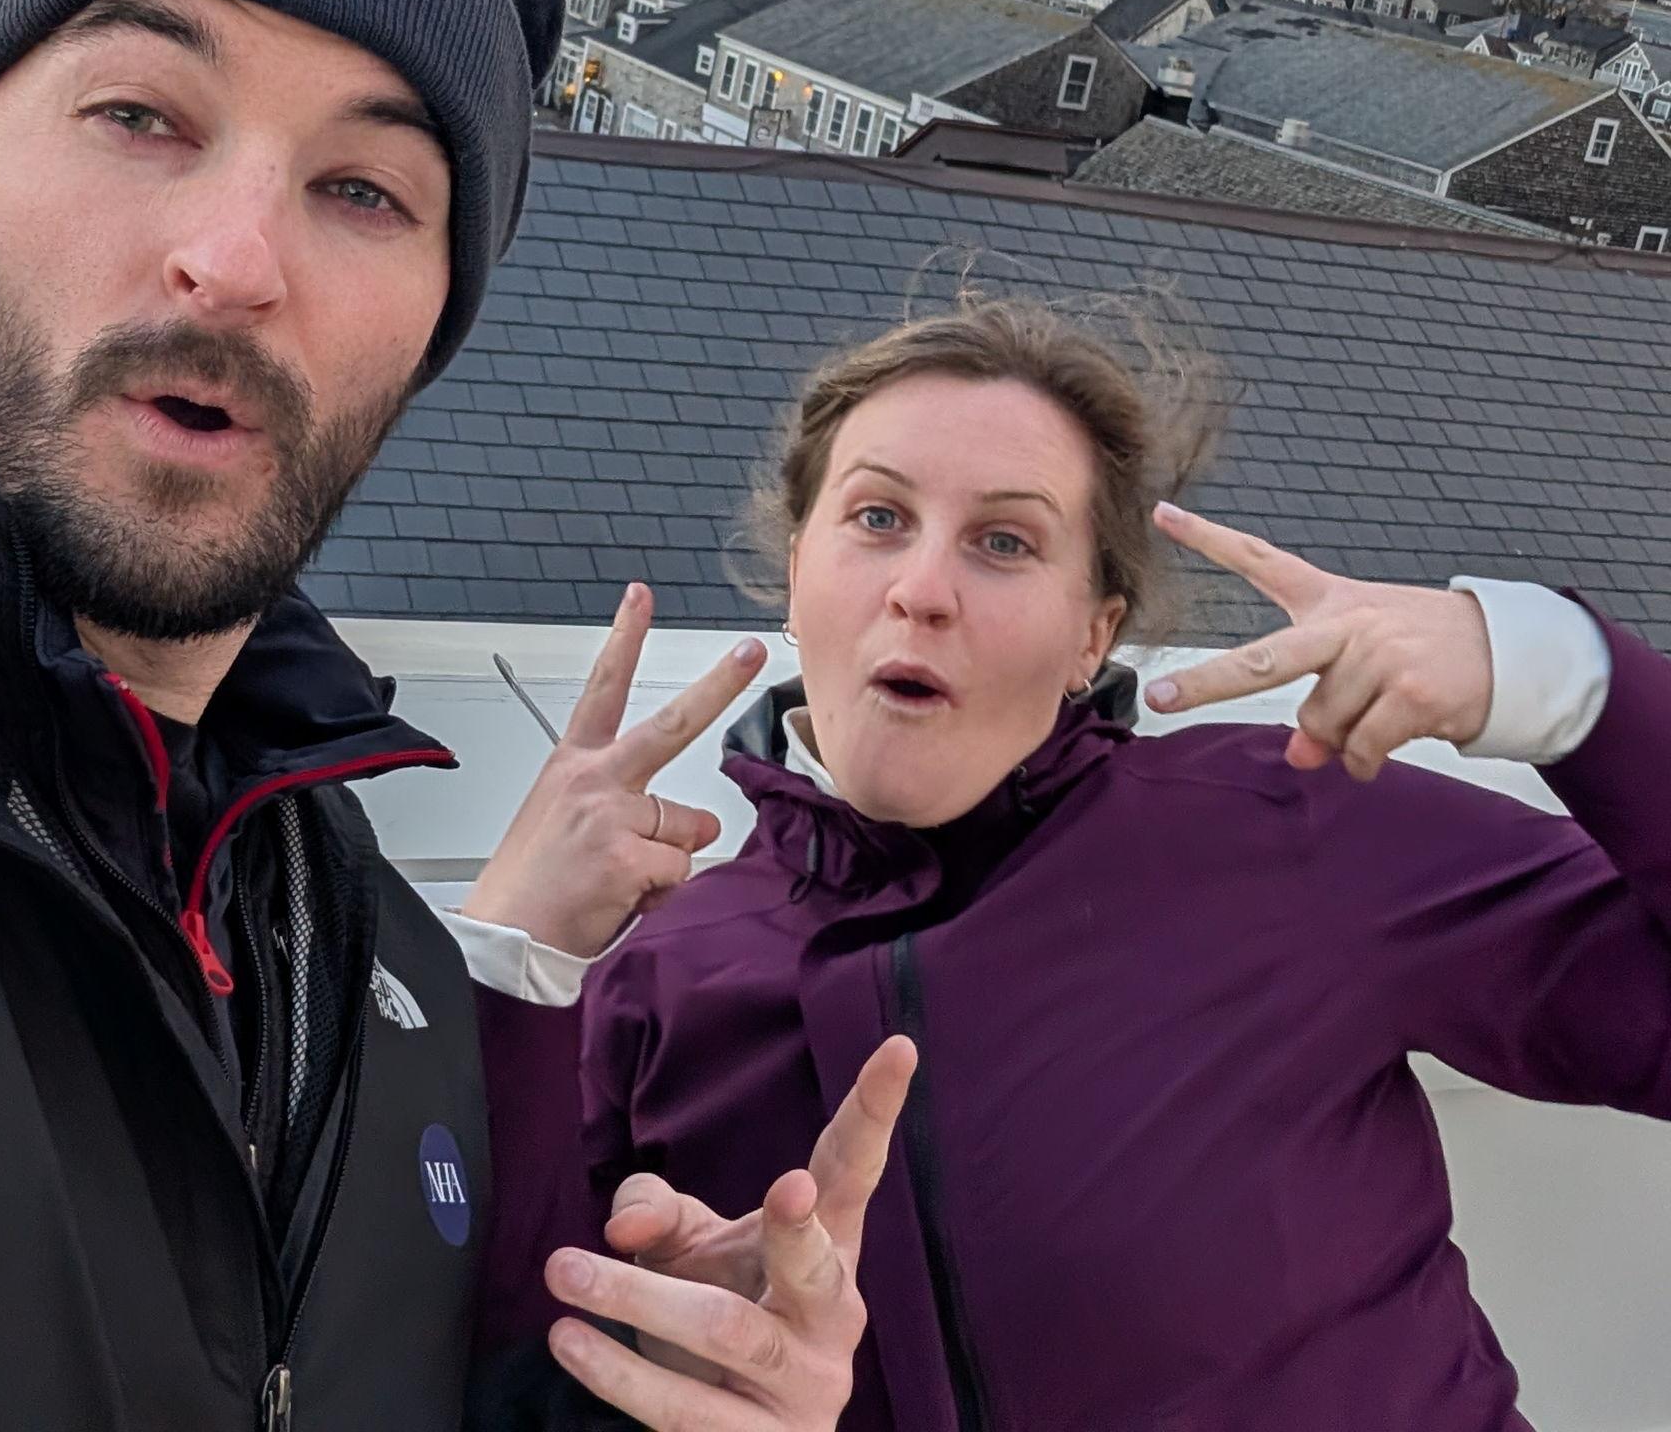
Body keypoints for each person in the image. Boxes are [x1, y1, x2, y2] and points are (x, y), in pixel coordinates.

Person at [0, 0, 911, 1430]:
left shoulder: (374, 974)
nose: (233, 257)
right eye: (139, 113)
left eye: (364, 188)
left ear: (434, 317)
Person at [557, 291, 1671, 1432]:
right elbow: (483, 1334)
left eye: (1003, 540)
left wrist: (1561, 679)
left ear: (1092, 630)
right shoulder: (661, 975)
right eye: (877, 517)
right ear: (799, 571)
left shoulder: (1283, 824)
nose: (921, 587)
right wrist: (509, 951)